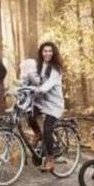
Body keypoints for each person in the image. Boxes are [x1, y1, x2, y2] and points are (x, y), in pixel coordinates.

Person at [27, 42, 65, 173]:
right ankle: (38, 134)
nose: (47, 53)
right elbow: (31, 78)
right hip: (42, 101)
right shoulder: (39, 66)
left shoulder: (56, 69)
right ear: (41, 53)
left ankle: (50, 159)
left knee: (48, 129)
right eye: (44, 51)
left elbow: (48, 84)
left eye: (50, 51)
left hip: (54, 104)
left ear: (53, 53)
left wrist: (38, 89)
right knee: (30, 115)